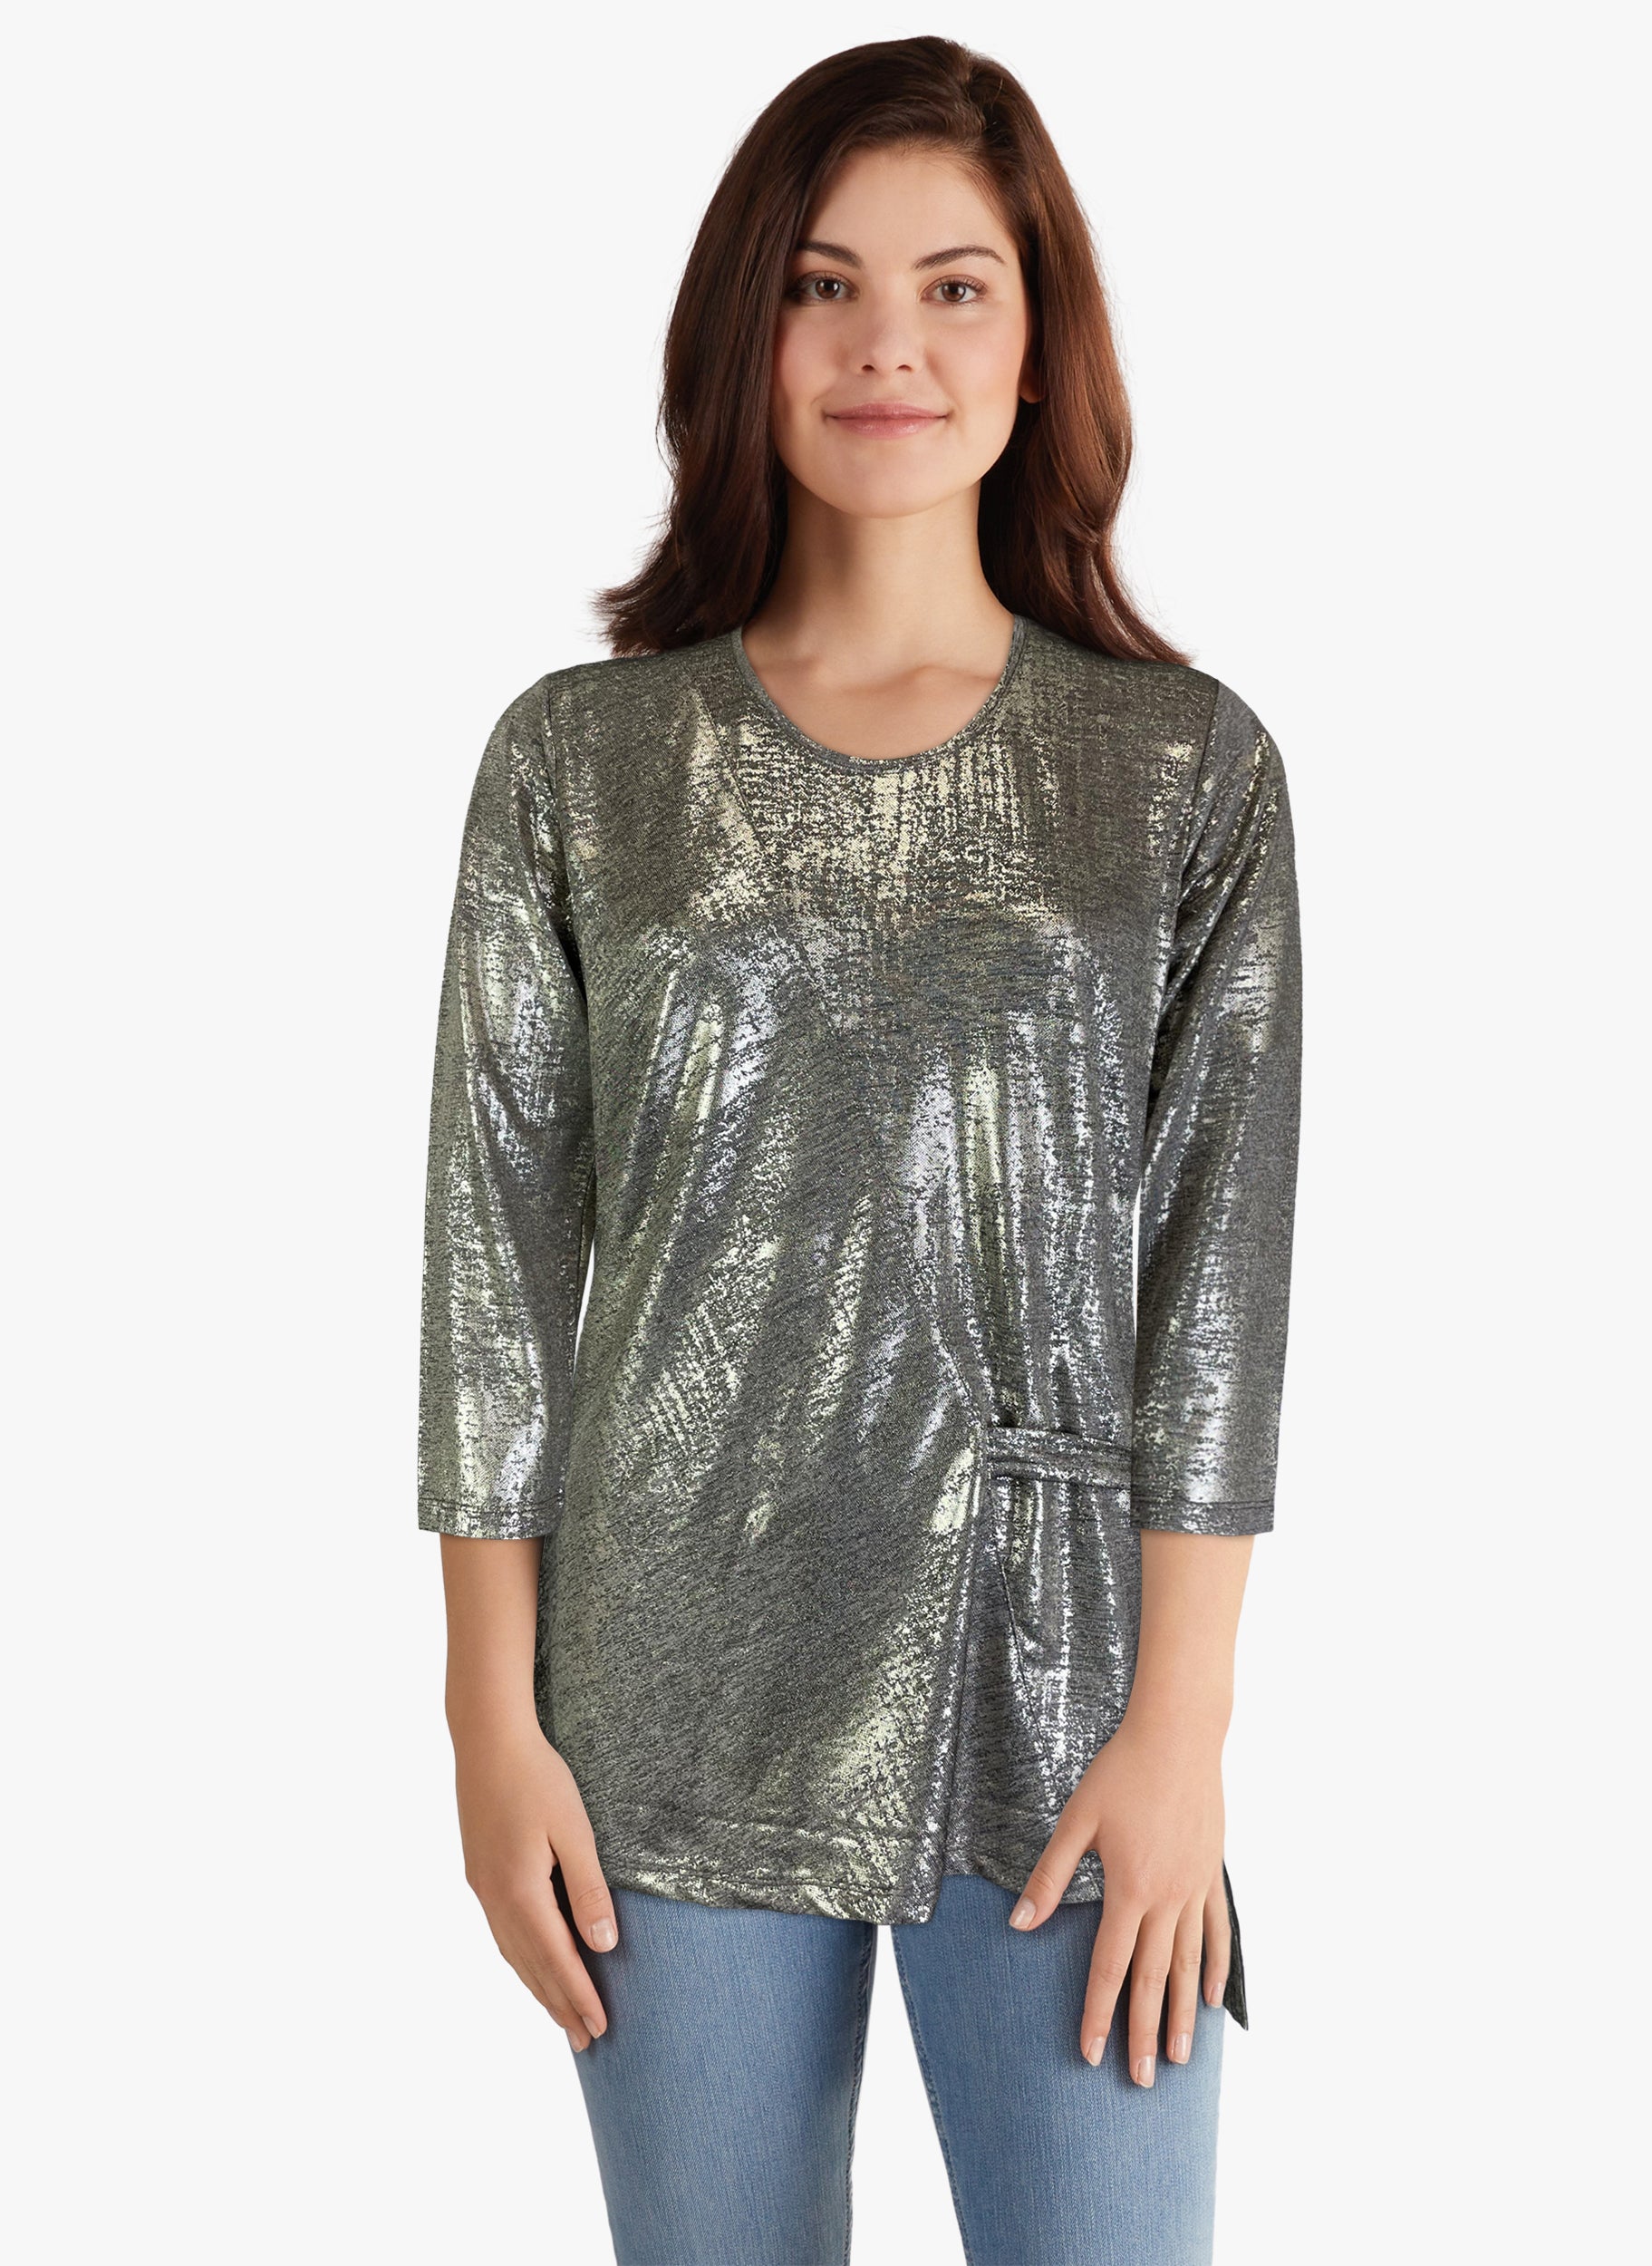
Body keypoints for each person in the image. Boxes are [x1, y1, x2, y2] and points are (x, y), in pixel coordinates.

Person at [418, 34, 1303, 2266]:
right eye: (824, 286)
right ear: (748, 332)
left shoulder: (1182, 772)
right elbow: (492, 1270)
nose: (886, 343)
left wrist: (1182, 1736)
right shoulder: (580, 764)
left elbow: (1214, 1292)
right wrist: (486, 1720)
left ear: (1038, 342)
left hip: (1061, 1683)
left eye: (953, 286)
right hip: (660, 1695)